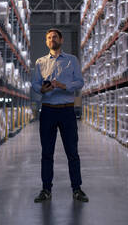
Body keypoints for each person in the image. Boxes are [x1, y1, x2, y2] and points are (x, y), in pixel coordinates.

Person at [32, 28, 89, 203]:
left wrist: (64, 86)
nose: (51, 40)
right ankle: (46, 189)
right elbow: (34, 84)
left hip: (66, 110)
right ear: (46, 41)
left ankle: (77, 189)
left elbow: (80, 81)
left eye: (54, 37)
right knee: (47, 152)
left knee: (72, 152)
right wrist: (41, 89)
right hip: (48, 110)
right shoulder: (40, 62)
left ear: (61, 40)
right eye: (48, 38)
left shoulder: (72, 60)